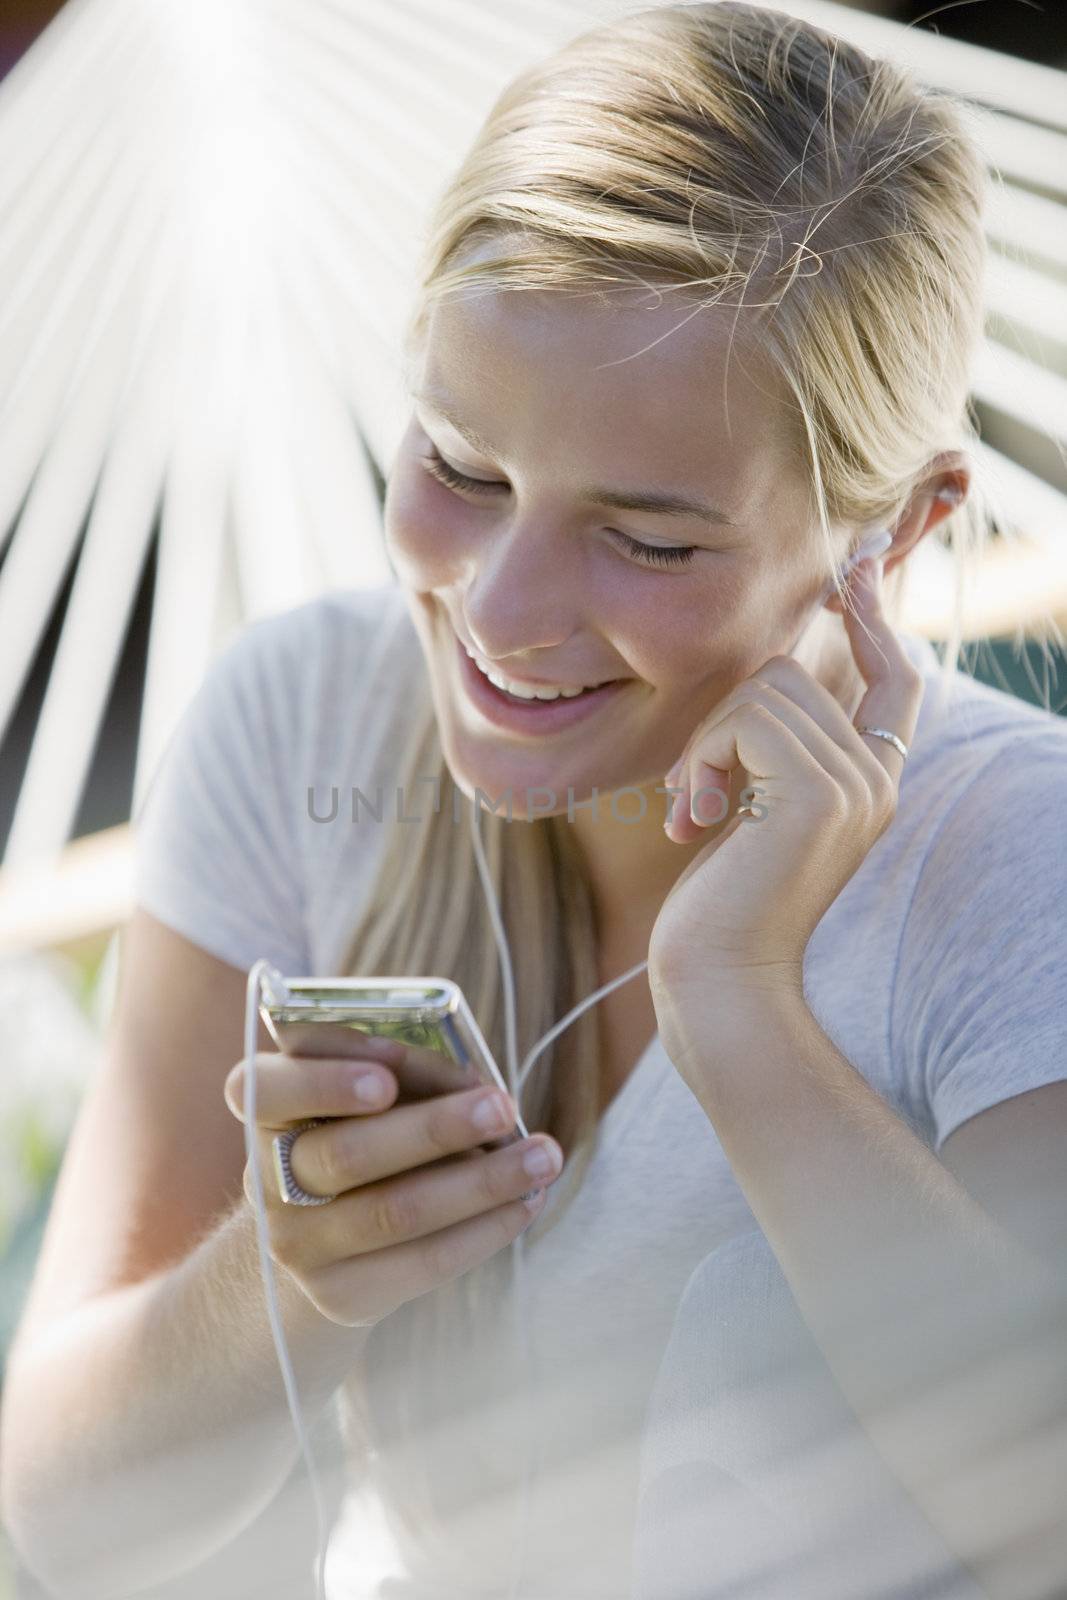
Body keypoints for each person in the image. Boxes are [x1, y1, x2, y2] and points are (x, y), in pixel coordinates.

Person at [4, 4, 1067, 1597]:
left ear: (894, 534)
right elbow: (60, 1517)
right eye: (460, 465)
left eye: (648, 540)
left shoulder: (1014, 861)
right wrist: (290, 1280)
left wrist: (741, 1003)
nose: (499, 613)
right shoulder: (303, 719)